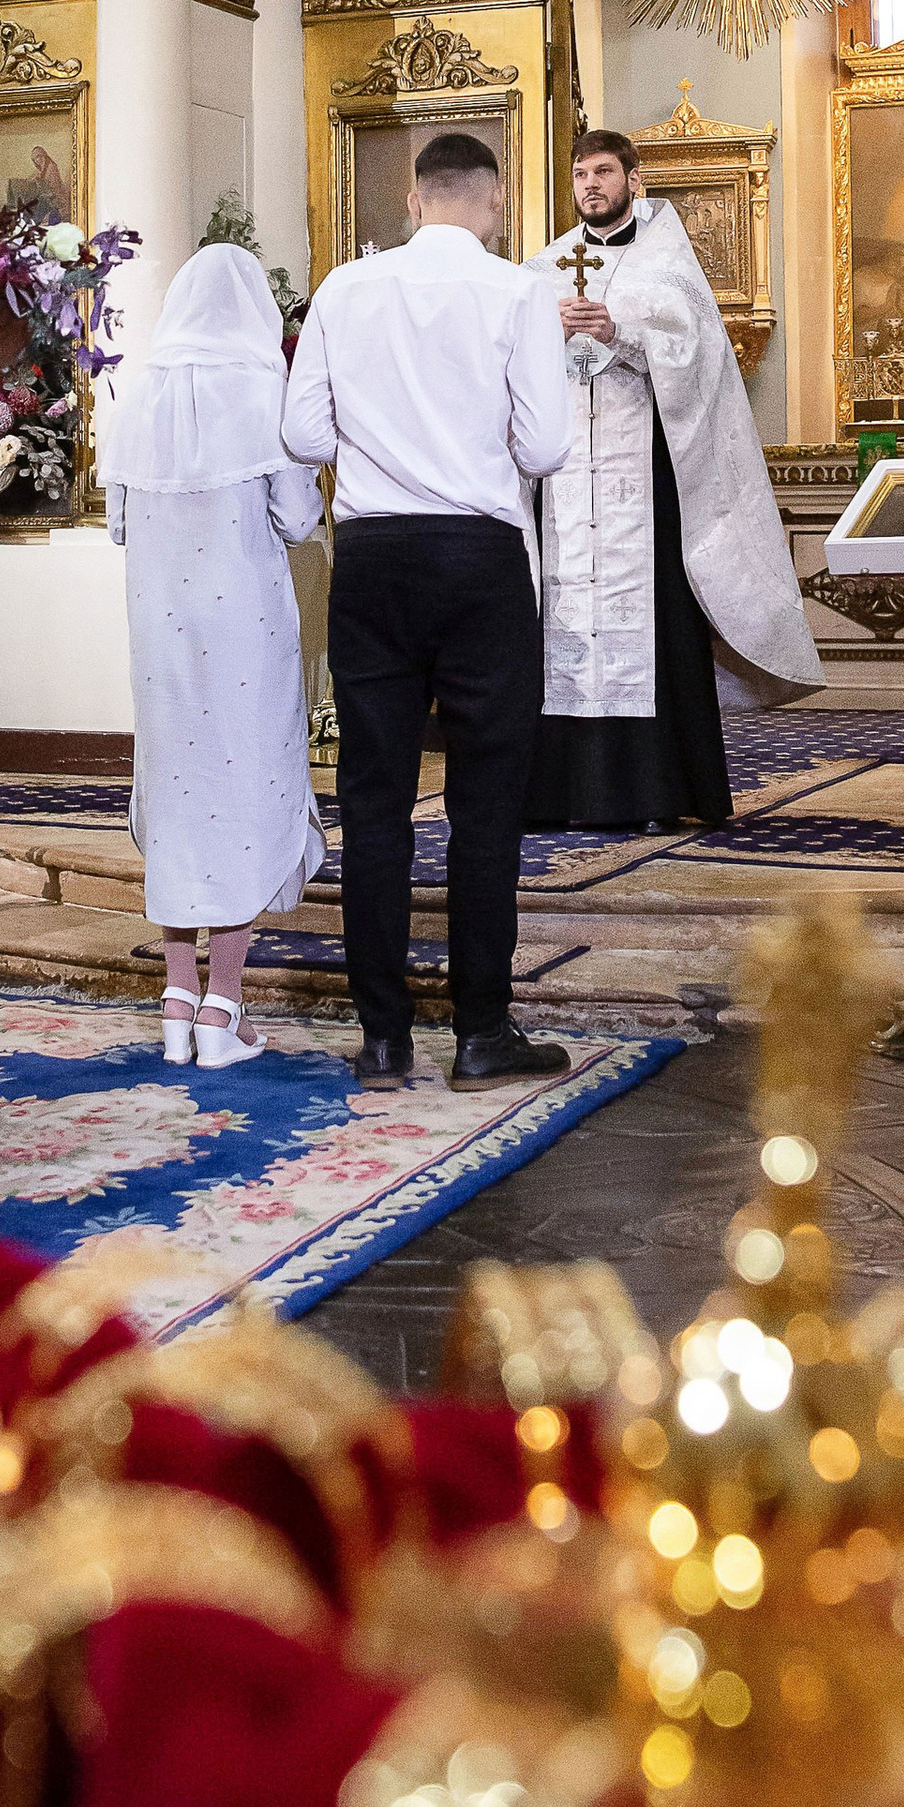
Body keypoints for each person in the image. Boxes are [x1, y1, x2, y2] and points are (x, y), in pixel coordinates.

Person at [282, 129, 572, 1092]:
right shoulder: (517, 291)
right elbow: (543, 450)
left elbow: (299, 430)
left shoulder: (344, 289)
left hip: (373, 556)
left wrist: (381, 444)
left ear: (412, 202)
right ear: (492, 204)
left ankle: (383, 1037)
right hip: (479, 558)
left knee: (375, 802)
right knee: (488, 805)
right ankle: (484, 1031)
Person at [529, 130, 821, 832]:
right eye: (580, 175)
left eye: (603, 172)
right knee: (564, 617)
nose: (590, 185)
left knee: (651, 619)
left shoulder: (667, 259)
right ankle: (559, 793)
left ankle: (658, 790)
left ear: (635, 178)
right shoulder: (544, 266)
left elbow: (695, 358)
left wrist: (618, 331)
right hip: (568, 480)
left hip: (645, 475)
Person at [99, 243, 324, 1070]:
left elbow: (118, 522)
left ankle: (176, 1000)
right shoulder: (264, 389)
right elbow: (298, 520)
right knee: (246, 788)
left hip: (158, 628)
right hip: (245, 628)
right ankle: (223, 1011)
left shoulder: (141, 391)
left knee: (181, 794)